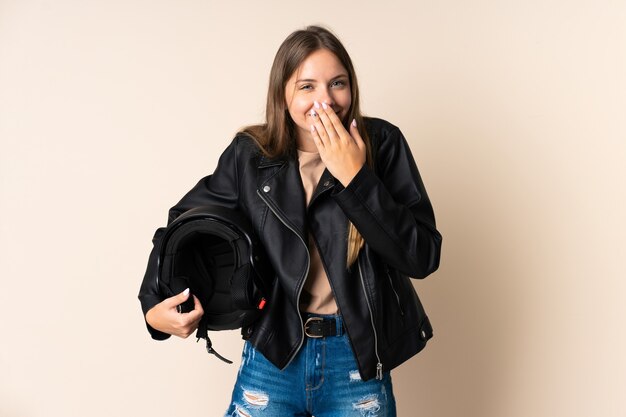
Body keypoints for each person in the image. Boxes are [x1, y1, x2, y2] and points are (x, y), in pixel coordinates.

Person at [138, 25, 442, 417]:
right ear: (283, 94)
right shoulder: (250, 155)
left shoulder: (383, 145)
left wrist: (356, 179)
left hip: (356, 361)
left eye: (338, 83)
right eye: (307, 87)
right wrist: (153, 307)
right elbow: (181, 225)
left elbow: (422, 256)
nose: (326, 100)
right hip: (273, 355)